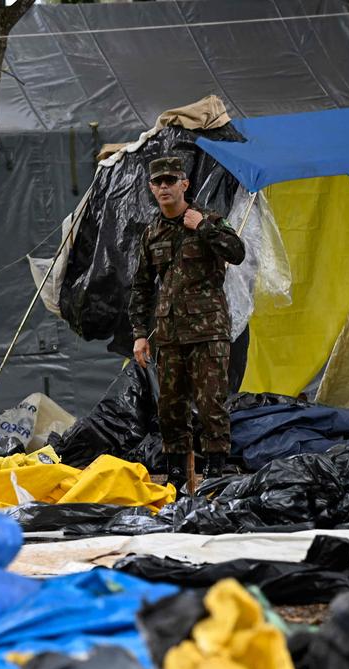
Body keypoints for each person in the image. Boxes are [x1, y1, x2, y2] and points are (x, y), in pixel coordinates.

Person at [128, 157, 245, 485]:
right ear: (152, 188)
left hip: (208, 331)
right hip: (169, 335)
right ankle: (179, 481)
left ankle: (215, 479)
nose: (164, 187)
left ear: (184, 184)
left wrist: (204, 228)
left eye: (170, 180)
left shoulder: (208, 219)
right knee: (170, 410)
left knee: (211, 406)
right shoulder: (152, 232)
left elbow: (237, 252)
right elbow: (140, 286)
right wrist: (139, 334)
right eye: (158, 182)